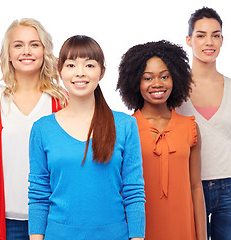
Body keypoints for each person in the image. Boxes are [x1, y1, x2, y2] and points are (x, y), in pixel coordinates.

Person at [28, 35, 146, 240]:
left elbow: (134, 192)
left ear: (102, 72)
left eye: (89, 65)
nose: (80, 73)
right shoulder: (42, 129)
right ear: (60, 71)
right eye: (71, 65)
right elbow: (39, 196)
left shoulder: (126, 125)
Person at [0, 18, 68, 240]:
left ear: (45, 51)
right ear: (8, 54)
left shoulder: (62, 102)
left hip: (52, 220)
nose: (27, 51)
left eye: (34, 44)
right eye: (18, 45)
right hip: (4, 222)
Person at [176, 7, 231, 240]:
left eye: (216, 35)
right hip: (188, 187)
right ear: (188, 39)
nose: (209, 42)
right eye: (201, 35)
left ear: (222, 40)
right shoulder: (173, 91)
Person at [117, 40, 207, 240]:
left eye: (164, 76)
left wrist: (202, 237)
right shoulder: (125, 128)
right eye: (147, 78)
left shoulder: (190, 127)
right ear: (135, 82)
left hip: (183, 229)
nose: (157, 84)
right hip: (141, 231)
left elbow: (195, 186)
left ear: (175, 78)